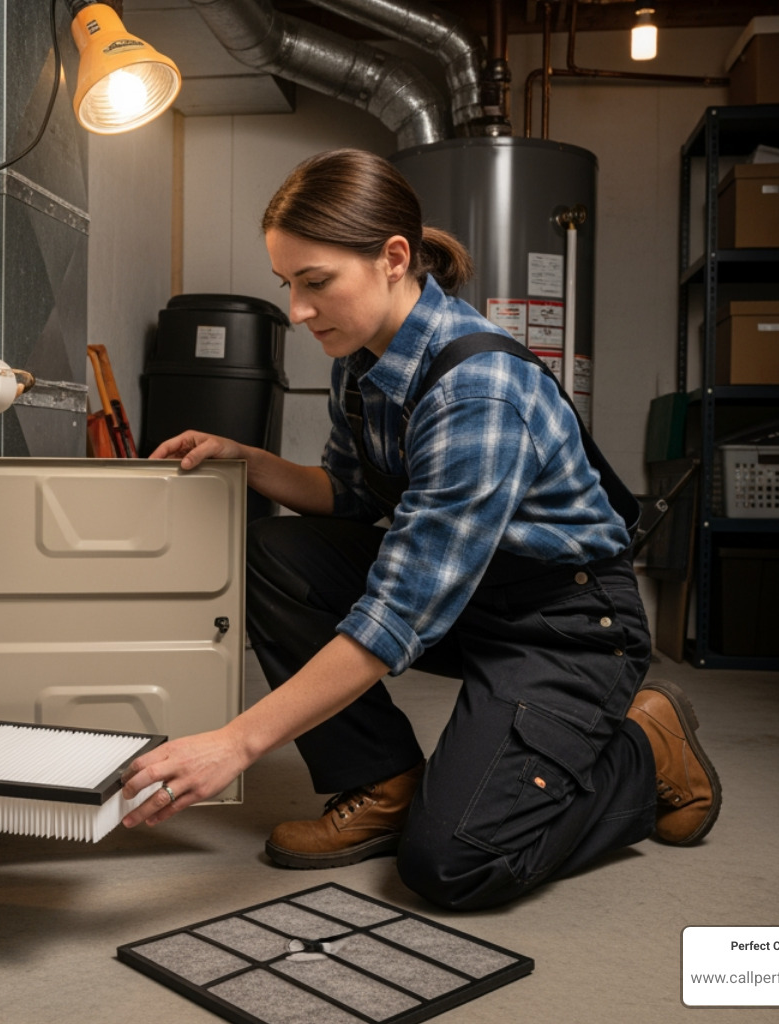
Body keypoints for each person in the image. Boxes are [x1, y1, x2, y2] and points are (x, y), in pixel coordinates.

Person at [119, 148, 720, 910]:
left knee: (454, 864)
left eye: (316, 283)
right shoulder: (360, 356)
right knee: (275, 551)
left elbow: (397, 615)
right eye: (288, 285)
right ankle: (382, 781)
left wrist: (234, 742)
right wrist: (246, 460)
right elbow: (345, 493)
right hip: (470, 600)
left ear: (393, 258)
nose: (299, 312)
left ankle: (646, 747)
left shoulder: (478, 391)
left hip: (563, 624)